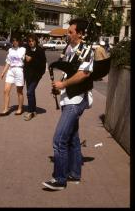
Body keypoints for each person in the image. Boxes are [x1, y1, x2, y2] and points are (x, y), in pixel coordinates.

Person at [42, 18, 94, 190]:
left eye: (71, 32)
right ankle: (74, 173)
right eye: (68, 31)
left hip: (75, 101)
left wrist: (62, 85)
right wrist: (60, 87)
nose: (68, 34)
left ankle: (60, 179)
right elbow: (69, 73)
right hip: (68, 98)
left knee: (59, 140)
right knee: (72, 138)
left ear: (80, 33)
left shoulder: (86, 50)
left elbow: (83, 74)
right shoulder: (70, 49)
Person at [0, 34, 26, 116]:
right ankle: (6, 109)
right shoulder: (10, 50)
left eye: (16, 40)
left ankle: (20, 108)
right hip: (10, 70)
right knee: (5, 90)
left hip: (19, 70)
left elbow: (28, 59)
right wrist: (3, 73)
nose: (15, 42)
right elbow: (8, 62)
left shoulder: (23, 49)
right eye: (13, 40)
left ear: (19, 41)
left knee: (19, 91)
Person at [23, 33, 46, 121]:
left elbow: (42, 65)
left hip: (36, 76)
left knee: (29, 92)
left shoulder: (40, 50)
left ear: (36, 41)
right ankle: (34, 111)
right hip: (28, 75)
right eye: (29, 41)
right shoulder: (27, 49)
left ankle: (30, 111)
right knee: (31, 93)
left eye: (33, 41)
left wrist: (31, 60)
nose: (31, 43)